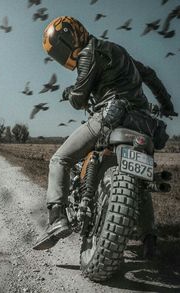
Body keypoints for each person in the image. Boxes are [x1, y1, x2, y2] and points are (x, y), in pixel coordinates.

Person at [33, 16, 176, 257]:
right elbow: (149, 75)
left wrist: (69, 94)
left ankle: (57, 217)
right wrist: (167, 104)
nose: (62, 55)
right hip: (143, 124)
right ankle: (149, 239)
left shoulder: (89, 52)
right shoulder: (120, 52)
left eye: (60, 48)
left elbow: (79, 99)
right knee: (138, 179)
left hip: (111, 115)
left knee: (60, 159)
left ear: (71, 37)